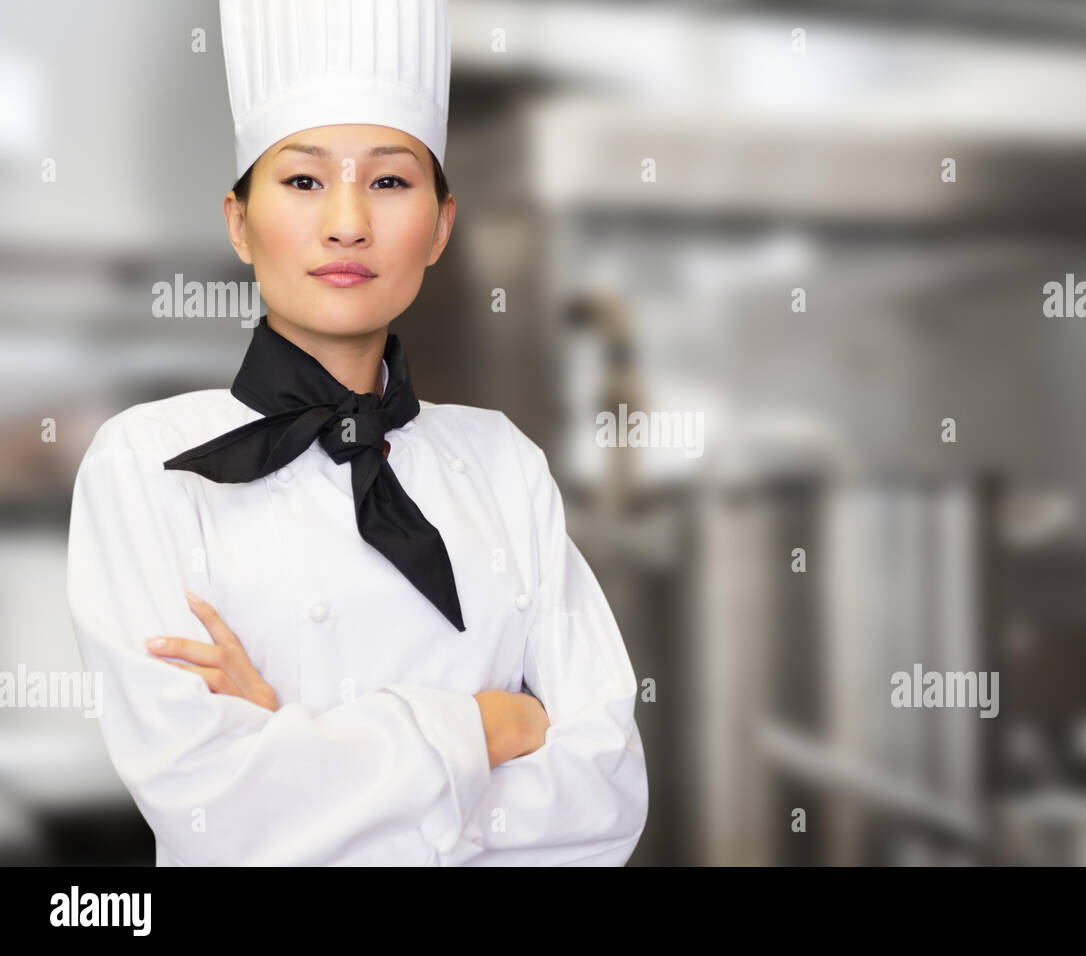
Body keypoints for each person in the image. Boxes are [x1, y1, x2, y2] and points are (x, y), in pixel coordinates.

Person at [64, 0, 649, 866]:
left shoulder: (504, 463)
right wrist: (483, 729)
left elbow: (606, 799)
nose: (347, 223)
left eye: (389, 181)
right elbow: (211, 812)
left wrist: (304, 759)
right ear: (238, 222)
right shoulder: (143, 463)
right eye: (303, 181)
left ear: (442, 226)